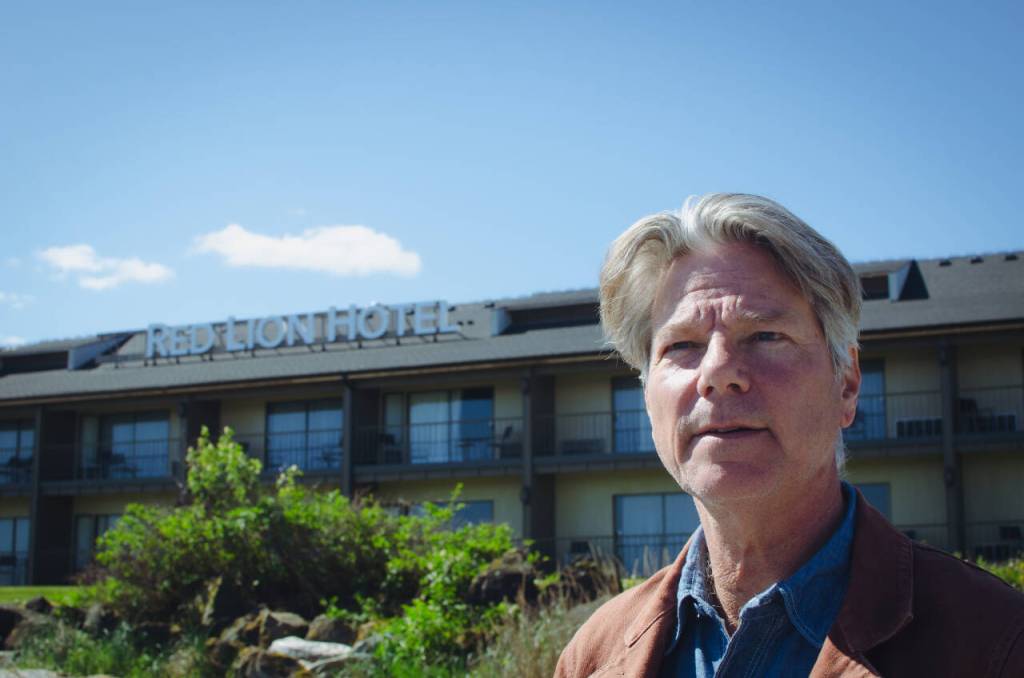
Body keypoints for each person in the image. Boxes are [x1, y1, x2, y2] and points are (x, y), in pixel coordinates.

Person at [555, 194, 1024, 677]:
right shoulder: (593, 654)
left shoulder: (995, 641)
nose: (716, 373)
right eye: (682, 346)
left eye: (764, 336)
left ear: (846, 383)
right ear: (648, 397)